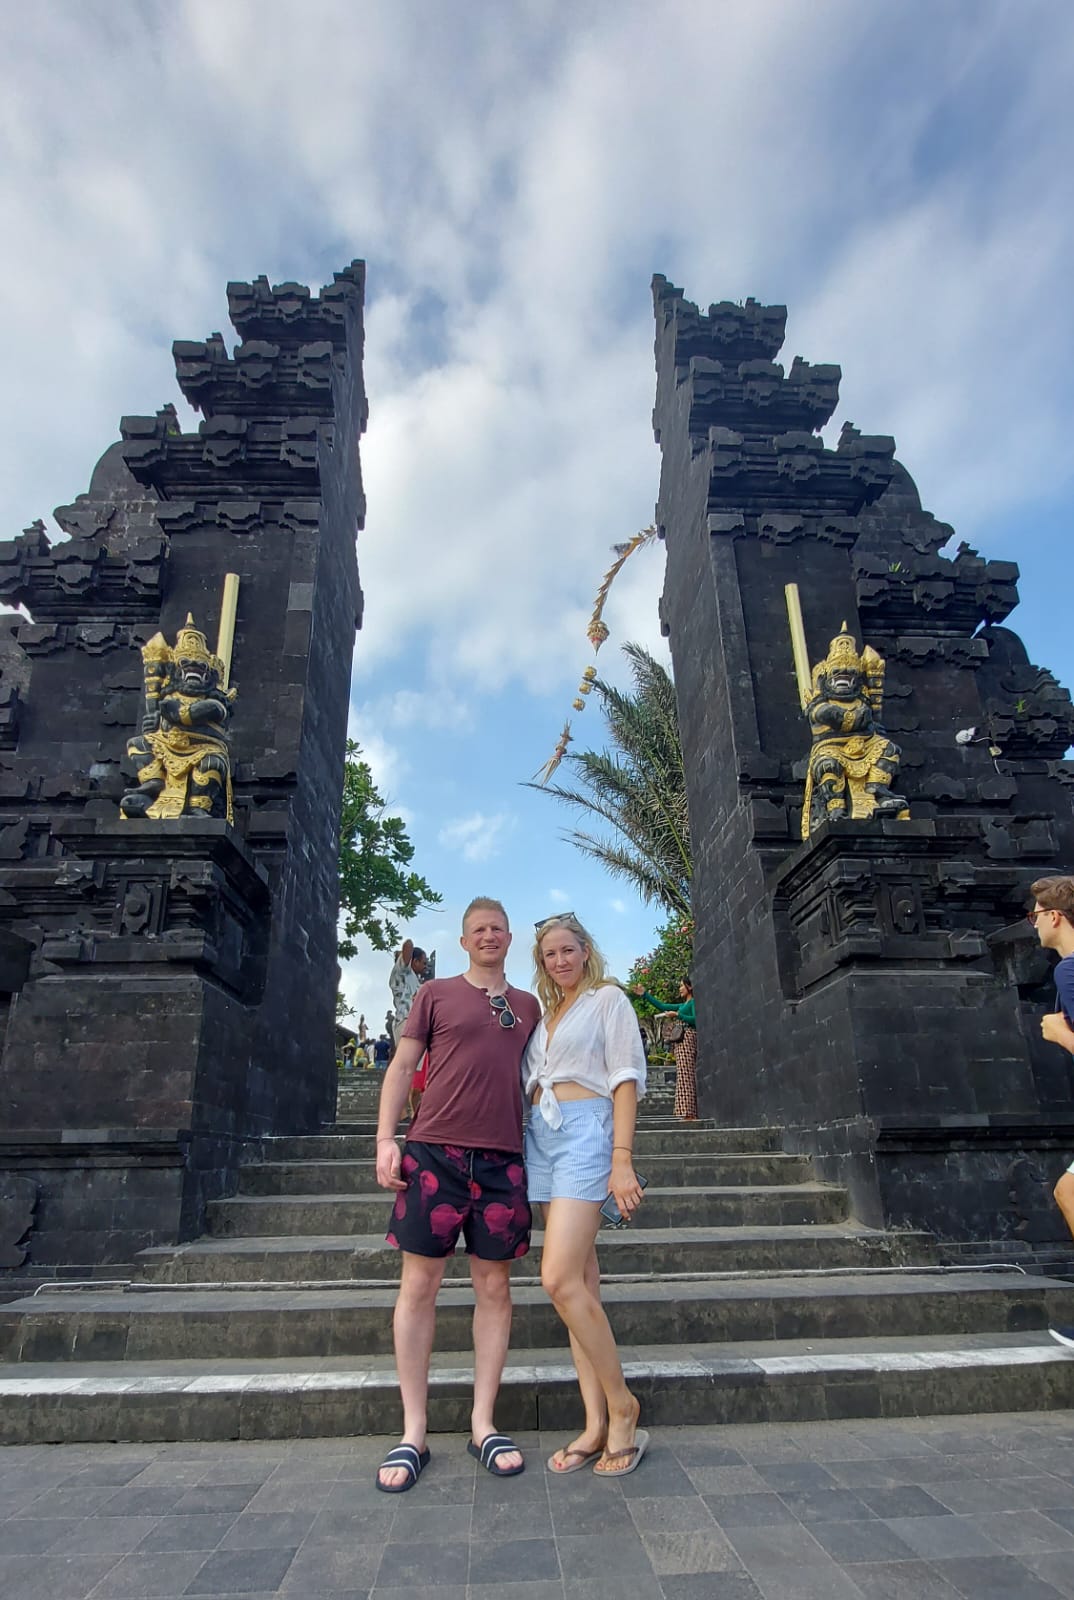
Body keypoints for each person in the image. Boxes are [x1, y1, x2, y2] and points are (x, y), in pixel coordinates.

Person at [373, 897, 541, 1493]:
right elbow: (401, 1067)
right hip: (434, 1154)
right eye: (478, 930)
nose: (489, 936)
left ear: (510, 936)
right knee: (419, 1286)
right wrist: (385, 1139)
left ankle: (482, 1422)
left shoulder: (528, 1006)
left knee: (495, 1286)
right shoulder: (434, 994)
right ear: (464, 940)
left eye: (498, 927)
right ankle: (413, 1430)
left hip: (502, 1161)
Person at [525, 912, 649, 1478]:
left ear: (585, 949)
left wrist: (621, 1160)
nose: (560, 961)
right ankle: (594, 1422)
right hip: (542, 1140)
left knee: (556, 1278)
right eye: (549, 954)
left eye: (568, 950)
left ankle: (623, 1407)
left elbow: (625, 1078)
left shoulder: (607, 1000)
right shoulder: (546, 1014)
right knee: (579, 1284)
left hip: (587, 1135)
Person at [1028, 877, 1074, 1350]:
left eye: (1036, 915)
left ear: (1055, 916)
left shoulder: (1069, 973)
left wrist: (1061, 1036)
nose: (1034, 924)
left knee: (1069, 1192)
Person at [631, 976, 698, 1120]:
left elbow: (696, 1019)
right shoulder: (682, 1005)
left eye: (682, 986)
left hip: (688, 1038)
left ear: (689, 987)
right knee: (682, 1076)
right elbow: (662, 1006)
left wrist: (679, 1015)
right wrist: (645, 995)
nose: (680, 989)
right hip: (680, 1043)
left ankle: (689, 1112)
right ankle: (682, 1111)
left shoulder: (692, 1003)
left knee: (687, 1075)